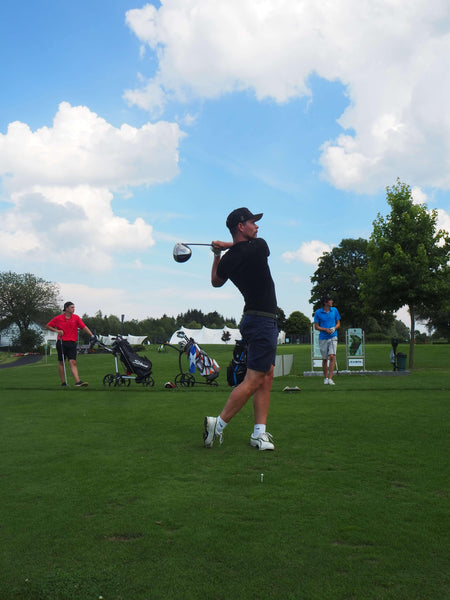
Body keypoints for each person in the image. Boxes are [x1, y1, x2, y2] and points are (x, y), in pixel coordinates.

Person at [203, 207, 278, 451]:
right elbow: (244, 248)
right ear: (240, 226)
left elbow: (216, 281)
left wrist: (217, 254)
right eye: (252, 222)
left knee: (266, 376)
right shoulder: (259, 246)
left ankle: (259, 433)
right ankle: (218, 424)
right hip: (262, 321)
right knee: (255, 378)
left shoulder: (231, 258)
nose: (257, 226)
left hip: (254, 319)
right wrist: (224, 247)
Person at [46, 302, 94, 387]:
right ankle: (63, 382)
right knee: (62, 362)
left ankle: (78, 381)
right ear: (66, 308)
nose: (73, 309)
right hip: (61, 342)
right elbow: (48, 326)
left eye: (74, 307)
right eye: (72, 307)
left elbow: (84, 327)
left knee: (73, 362)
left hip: (72, 343)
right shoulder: (58, 318)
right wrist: (57, 331)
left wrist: (92, 335)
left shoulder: (76, 318)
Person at [314, 294, 341, 385]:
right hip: (323, 338)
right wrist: (325, 329)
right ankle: (325, 378)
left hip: (333, 336)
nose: (332, 301)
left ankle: (330, 378)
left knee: (332, 356)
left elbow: (338, 323)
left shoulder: (335, 310)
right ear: (325, 302)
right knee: (325, 359)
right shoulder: (318, 312)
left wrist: (334, 328)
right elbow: (316, 327)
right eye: (330, 300)